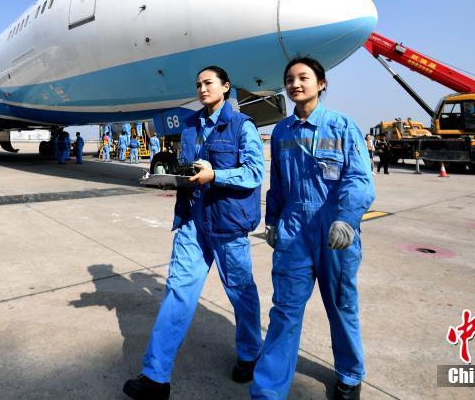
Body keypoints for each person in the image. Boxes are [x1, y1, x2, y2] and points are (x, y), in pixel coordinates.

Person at [124, 65, 266, 400]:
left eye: (208, 83)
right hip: (193, 219)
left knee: (241, 293)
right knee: (177, 291)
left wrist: (215, 175)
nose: (202, 89)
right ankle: (156, 378)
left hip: (227, 222)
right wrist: (170, 177)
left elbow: (254, 172)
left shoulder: (242, 126)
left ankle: (249, 354)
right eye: (198, 84)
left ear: (226, 87)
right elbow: (188, 168)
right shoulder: (189, 126)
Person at [251, 57, 374, 400]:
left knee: (341, 306)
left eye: (304, 77)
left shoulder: (341, 126)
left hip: (335, 231)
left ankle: (350, 373)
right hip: (293, 232)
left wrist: (347, 219)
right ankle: (268, 389)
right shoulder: (280, 132)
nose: (295, 84)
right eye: (289, 79)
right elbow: (277, 183)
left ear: (321, 84)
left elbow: (359, 178)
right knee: (285, 311)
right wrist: (272, 221)